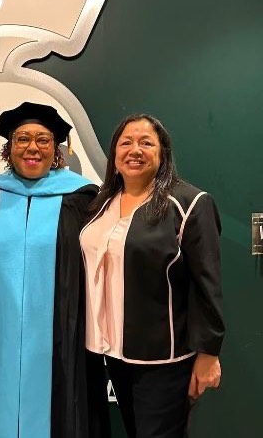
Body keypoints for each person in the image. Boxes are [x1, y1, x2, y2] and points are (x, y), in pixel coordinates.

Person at [80, 113, 225, 438]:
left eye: (146, 143)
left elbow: (207, 285)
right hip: (112, 352)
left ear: (163, 155)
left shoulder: (188, 203)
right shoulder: (101, 203)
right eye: (126, 142)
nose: (135, 150)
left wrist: (209, 353)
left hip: (163, 359)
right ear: (114, 153)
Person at [0, 102, 110, 438]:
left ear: (56, 149)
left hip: (61, 334)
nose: (32, 147)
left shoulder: (81, 198)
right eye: (22, 139)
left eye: (43, 140)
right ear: (9, 148)